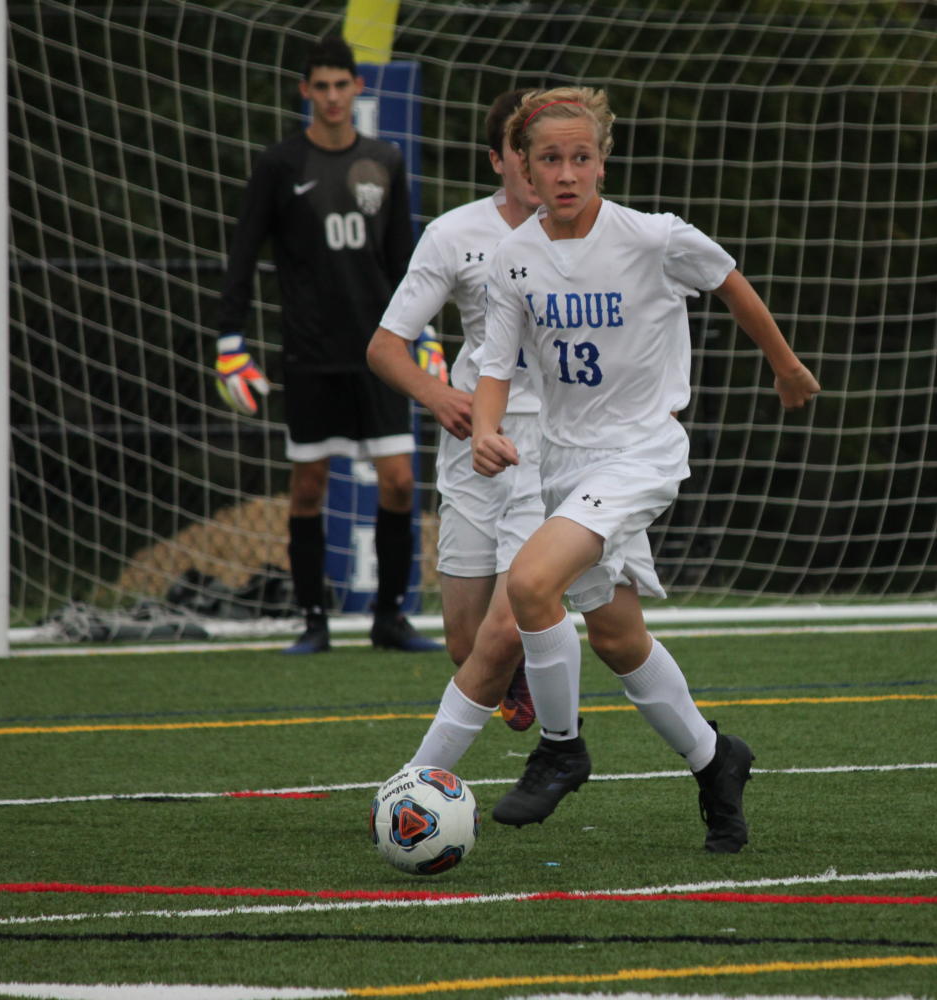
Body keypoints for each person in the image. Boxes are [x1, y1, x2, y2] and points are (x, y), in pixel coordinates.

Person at [468, 87, 821, 852]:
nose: (567, 173)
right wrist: (486, 429)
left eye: (582, 158)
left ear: (602, 161)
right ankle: (716, 761)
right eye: (551, 159)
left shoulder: (653, 238)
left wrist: (786, 366)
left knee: (530, 584)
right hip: (566, 461)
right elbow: (497, 365)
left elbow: (728, 280)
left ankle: (561, 748)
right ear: (523, 168)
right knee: (618, 638)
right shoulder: (513, 258)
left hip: (642, 453)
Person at [214, 33, 440, 655]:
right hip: (310, 353)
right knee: (309, 485)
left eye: (343, 85)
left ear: (357, 88)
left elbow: (405, 264)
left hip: (381, 354)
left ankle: (390, 618)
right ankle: (312, 619)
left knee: (398, 482)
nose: (334, 96)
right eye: (323, 86)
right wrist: (229, 338)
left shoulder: (386, 161)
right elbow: (242, 256)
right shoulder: (280, 164)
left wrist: (426, 335)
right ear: (305, 90)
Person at [366, 89, 545, 763]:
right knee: (466, 644)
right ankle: (524, 672)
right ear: (499, 159)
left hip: (555, 447)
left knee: (512, 620)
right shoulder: (453, 234)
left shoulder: (598, 231)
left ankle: (434, 771)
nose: (540, 166)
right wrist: (438, 396)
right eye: (525, 150)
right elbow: (385, 346)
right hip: (475, 438)